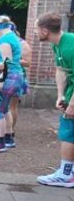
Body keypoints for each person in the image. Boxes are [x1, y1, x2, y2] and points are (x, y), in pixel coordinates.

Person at [35, 12, 74, 187]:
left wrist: (72, 103)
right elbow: (61, 69)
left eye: (37, 29)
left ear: (44, 30)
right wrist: (61, 95)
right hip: (70, 92)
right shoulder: (57, 45)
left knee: (68, 133)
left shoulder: (70, 46)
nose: (36, 33)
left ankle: (66, 175)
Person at [0, 15, 25, 153]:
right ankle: (8, 138)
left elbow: (6, 63)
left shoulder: (4, 40)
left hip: (7, 78)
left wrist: (0, 82)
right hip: (16, 77)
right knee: (5, 108)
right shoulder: (13, 37)